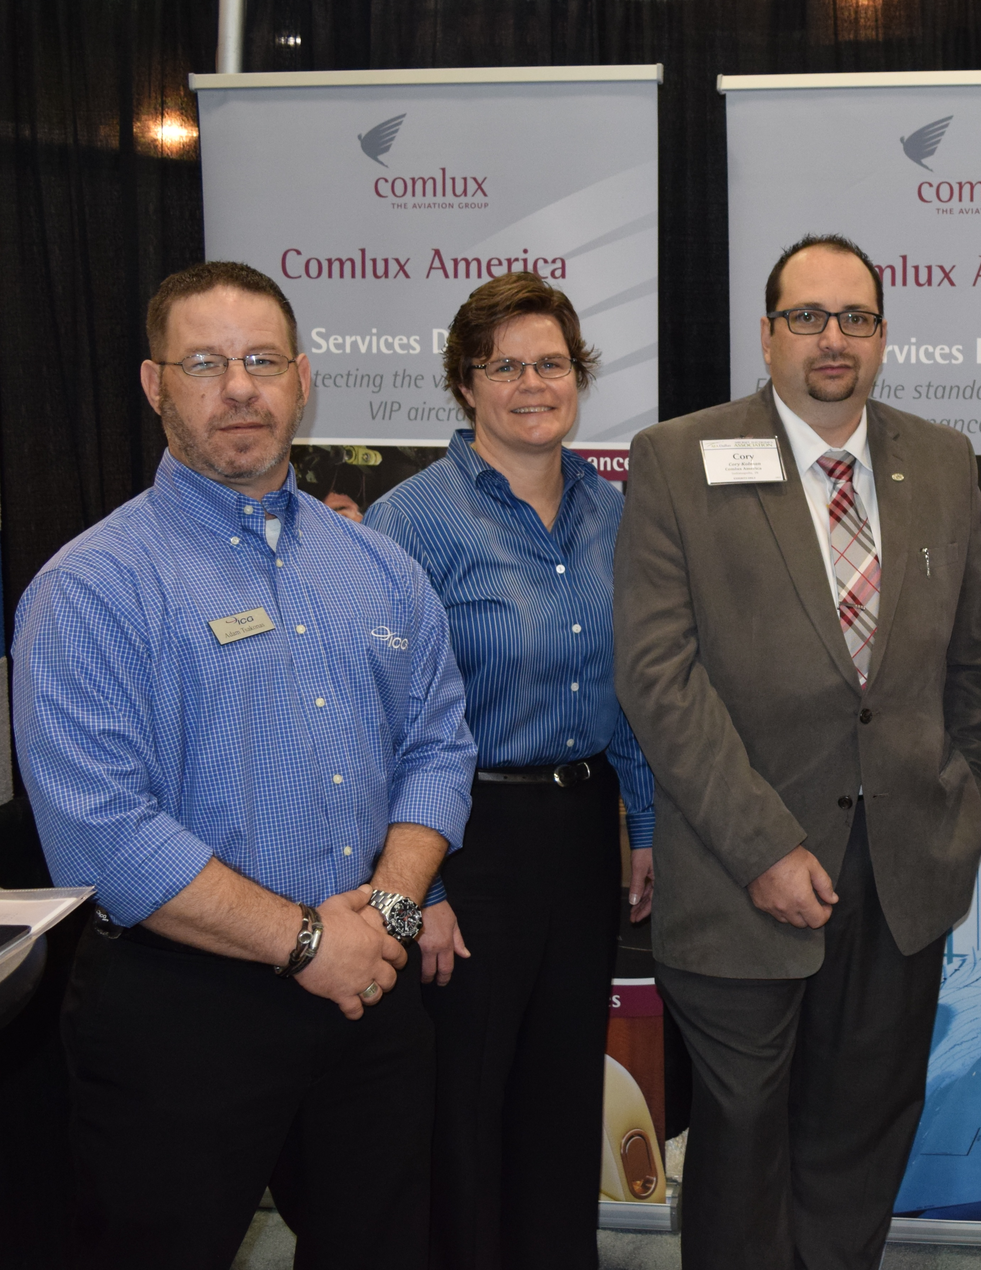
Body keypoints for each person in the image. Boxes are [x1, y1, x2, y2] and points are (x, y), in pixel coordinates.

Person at [12, 260, 477, 1268]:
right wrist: (307, 940)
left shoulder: (380, 568)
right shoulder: (91, 586)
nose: (239, 387)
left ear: (304, 377)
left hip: (370, 988)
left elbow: (439, 743)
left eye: (263, 360)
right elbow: (103, 829)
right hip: (181, 1009)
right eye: (206, 362)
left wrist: (386, 916)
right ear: (154, 383)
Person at [612, 233, 981, 1270]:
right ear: (767, 333)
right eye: (808, 316)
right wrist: (762, 848)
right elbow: (659, 678)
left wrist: (951, 804)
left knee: (859, 1139)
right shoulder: (677, 456)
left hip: (902, 875)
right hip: (740, 881)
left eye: (857, 318)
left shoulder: (942, 457)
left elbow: (972, 665)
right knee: (744, 1143)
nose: (833, 340)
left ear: (882, 336)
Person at [364, 271, 657, 1269]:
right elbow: (382, 724)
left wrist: (646, 825)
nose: (534, 382)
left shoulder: (613, 511)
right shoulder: (409, 521)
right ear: (466, 382)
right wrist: (424, 888)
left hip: (581, 835)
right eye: (507, 365)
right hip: (464, 838)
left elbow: (632, 687)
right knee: (463, 1104)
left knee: (562, 1092)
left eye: (553, 363)